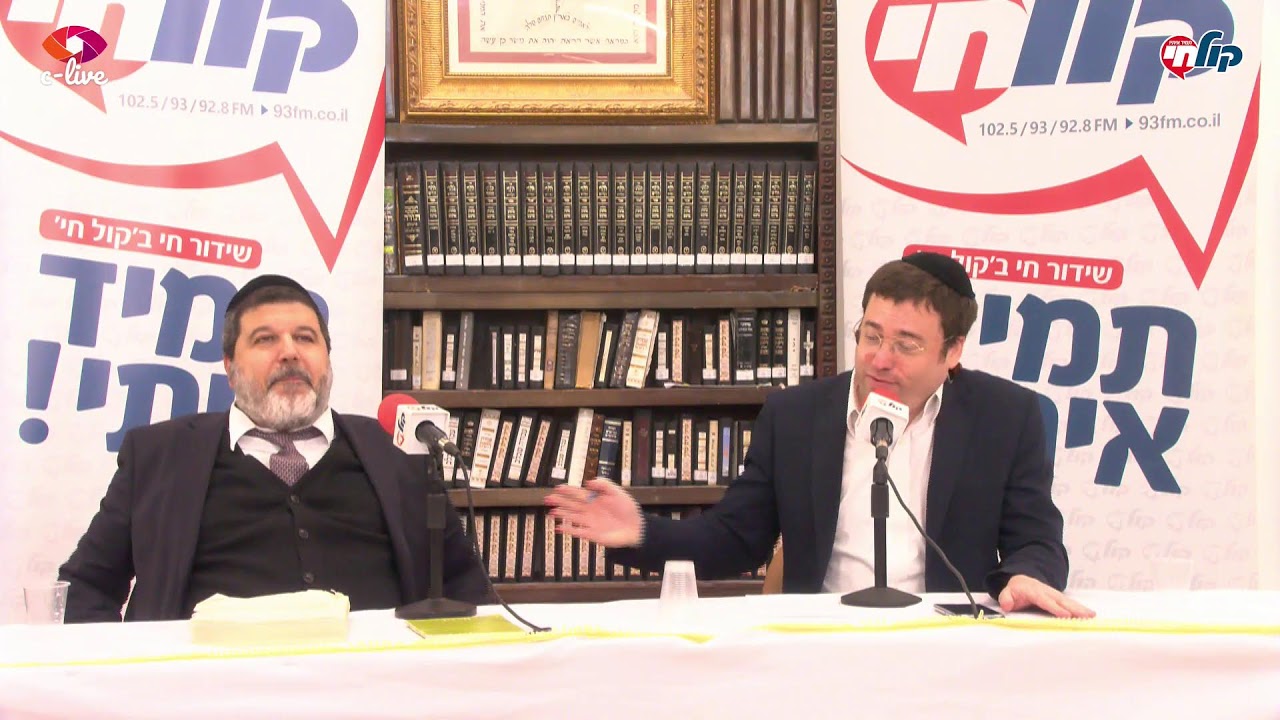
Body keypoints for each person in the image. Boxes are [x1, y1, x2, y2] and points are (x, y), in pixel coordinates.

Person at [547, 252, 1094, 618]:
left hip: (949, 647)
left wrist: (1025, 575)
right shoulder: (796, 416)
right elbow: (735, 539)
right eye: (871, 335)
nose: (879, 359)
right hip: (821, 645)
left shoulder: (1006, 416)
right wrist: (642, 532)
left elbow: (1037, 539)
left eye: (906, 345)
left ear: (952, 352)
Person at [59, 274, 489, 622]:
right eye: (265, 340)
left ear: (327, 360)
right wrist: (124, 681)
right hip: (207, 688)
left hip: (372, 684)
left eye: (306, 338)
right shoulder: (159, 455)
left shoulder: (397, 450)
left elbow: (464, 585)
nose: (289, 353)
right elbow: (86, 587)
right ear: (229, 367)